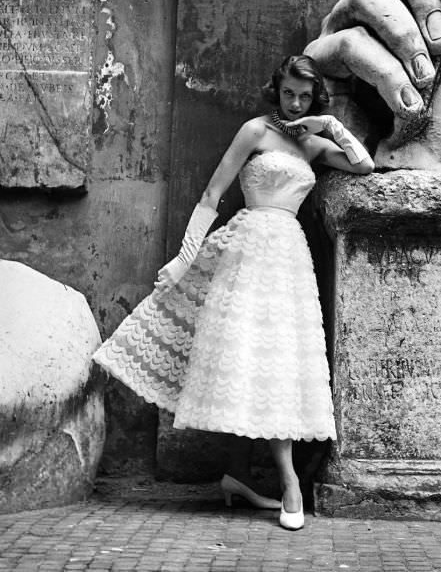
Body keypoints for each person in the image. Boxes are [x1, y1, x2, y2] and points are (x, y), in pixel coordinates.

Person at [92, 54, 374, 531]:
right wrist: (184, 260)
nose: (295, 102)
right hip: (246, 252)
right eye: (288, 93)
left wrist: (328, 125)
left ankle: (238, 476)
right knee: (248, 360)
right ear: (276, 88)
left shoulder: (313, 143)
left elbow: (363, 166)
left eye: (305, 97)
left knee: (276, 362)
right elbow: (211, 194)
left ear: (316, 98)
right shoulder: (254, 132)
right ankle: (288, 485)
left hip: (288, 259)